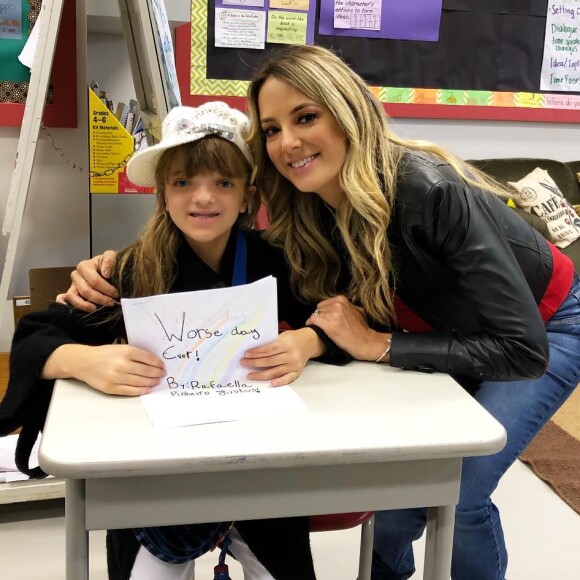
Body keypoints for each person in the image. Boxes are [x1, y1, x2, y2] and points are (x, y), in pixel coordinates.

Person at [68, 46, 580, 580]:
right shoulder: (304, 199)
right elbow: (242, 253)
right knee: (399, 487)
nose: (287, 142)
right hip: (445, 329)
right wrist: (112, 266)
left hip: (544, 325)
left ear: (348, 111)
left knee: (464, 489)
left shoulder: (429, 190)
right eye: (270, 129)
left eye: (306, 117)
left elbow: (521, 349)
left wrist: (381, 345)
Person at [0, 102, 327, 580]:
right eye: (182, 182)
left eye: (223, 182)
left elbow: (335, 321)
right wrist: (84, 361)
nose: (203, 198)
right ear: (162, 194)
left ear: (248, 196)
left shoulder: (279, 263)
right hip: (156, 473)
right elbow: (35, 338)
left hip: (259, 466)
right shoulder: (130, 270)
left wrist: (308, 342)